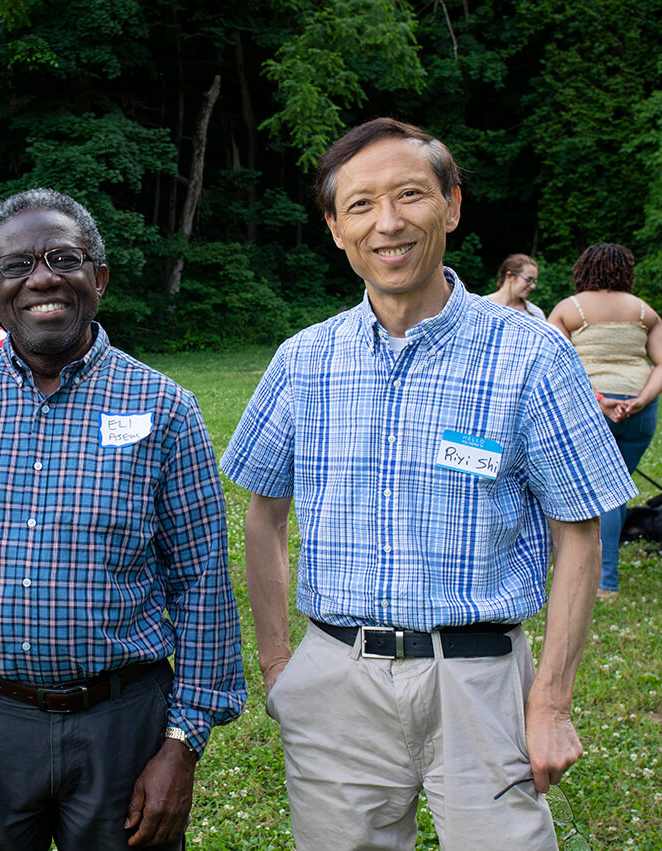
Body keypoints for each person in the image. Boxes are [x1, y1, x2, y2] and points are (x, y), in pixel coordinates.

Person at [221, 118, 635, 849]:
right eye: (360, 205)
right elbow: (263, 516)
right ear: (334, 227)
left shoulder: (533, 355)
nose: (387, 222)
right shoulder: (303, 360)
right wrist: (281, 661)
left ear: (450, 205)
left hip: (479, 682)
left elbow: (579, 533)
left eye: (409, 194)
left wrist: (552, 701)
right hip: (335, 680)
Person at [0, 188, 246, 850]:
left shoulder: (167, 409)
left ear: (97, 278)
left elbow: (203, 583)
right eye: (17, 265)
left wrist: (183, 743)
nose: (41, 277)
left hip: (122, 725)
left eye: (63, 257)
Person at [548, 243, 662, 599]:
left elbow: (554, 363)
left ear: (584, 269)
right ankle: (604, 582)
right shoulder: (646, 311)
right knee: (614, 495)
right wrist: (640, 400)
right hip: (638, 412)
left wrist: (599, 401)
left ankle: (596, 580)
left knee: (584, 494)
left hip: (590, 407)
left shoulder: (570, 308)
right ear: (625, 271)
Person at [486, 253, 547, 319]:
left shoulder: (535, 314)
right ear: (509, 276)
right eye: (528, 280)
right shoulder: (482, 307)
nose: (533, 286)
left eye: (534, 281)